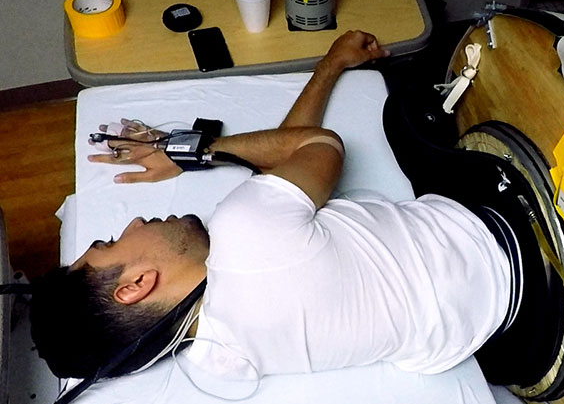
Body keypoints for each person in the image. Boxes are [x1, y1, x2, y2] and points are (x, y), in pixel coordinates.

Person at [29, 30, 516, 383]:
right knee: (416, 102)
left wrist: (330, 67)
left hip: (484, 331)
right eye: (111, 242)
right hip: (491, 234)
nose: (133, 220)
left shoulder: (219, 358)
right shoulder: (246, 231)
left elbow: (282, 165)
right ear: (136, 286)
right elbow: (317, 146)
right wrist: (195, 149)